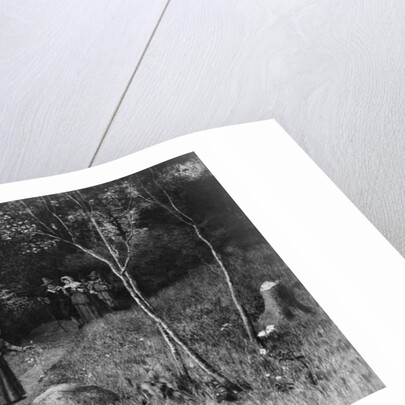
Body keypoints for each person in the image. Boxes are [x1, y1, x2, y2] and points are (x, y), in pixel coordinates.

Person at [0, 329, 27, 404]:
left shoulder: (1, 341)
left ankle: (16, 396)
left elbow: (10, 346)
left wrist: (22, 349)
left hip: (2, 364)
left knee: (9, 379)